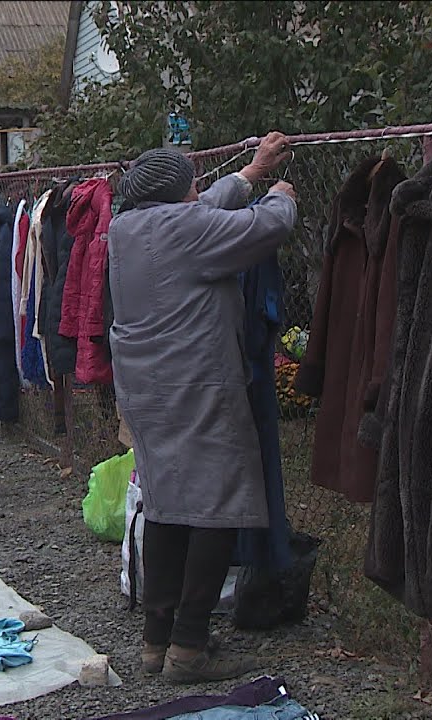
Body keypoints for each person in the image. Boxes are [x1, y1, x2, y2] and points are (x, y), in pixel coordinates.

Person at [108, 133, 297, 683]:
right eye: (190, 182)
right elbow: (267, 228)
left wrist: (251, 172)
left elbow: (201, 210)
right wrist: (280, 194)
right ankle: (189, 648)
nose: (197, 189)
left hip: (146, 391)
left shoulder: (127, 229)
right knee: (217, 507)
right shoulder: (186, 227)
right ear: (174, 194)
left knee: (167, 506)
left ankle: (156, 639)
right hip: (199, 388)